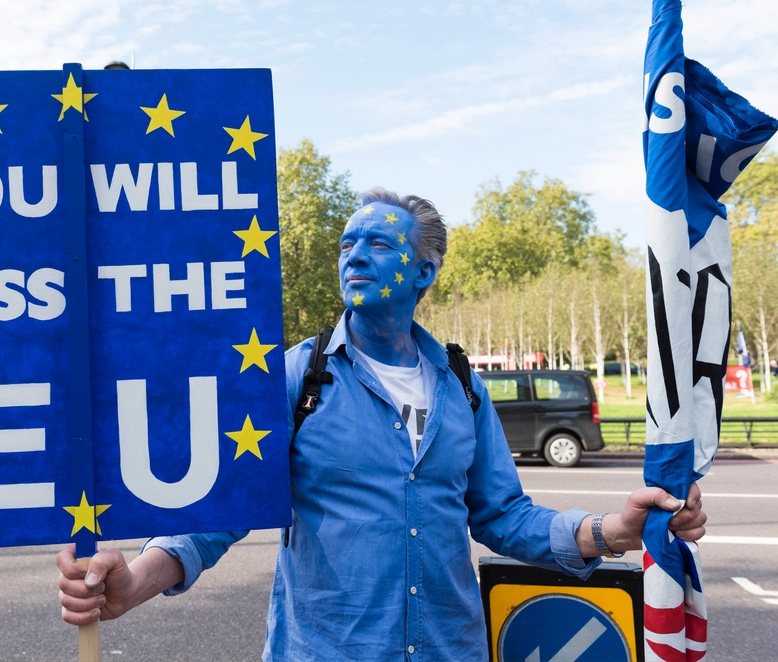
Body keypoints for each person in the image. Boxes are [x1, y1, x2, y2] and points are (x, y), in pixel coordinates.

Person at [57, 188, 707, 660]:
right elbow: (213, 516)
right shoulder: (294, 378)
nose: (355, 256)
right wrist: (132, 585)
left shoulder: (462, 387)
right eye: (348, 243)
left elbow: (505, 518)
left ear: (424, 270)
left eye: (378, 243)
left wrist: (615, 531)